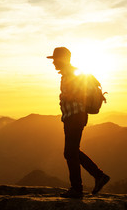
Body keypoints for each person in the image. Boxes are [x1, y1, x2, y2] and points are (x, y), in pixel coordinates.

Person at [47, 47, 110, 198]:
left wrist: (67, 97)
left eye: (55, 59)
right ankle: (99, 176)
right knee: (72, 151)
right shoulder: (70, 73)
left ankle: (77, 189)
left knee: (70, 152)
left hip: (75, 117)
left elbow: (78, 94)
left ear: (62, 59)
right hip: (73, 117)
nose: (53, 63)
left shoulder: (71, 74)